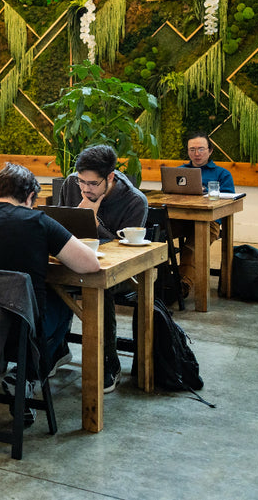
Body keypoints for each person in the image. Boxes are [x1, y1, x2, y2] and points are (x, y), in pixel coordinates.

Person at [0, 163, 100, 377]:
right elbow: (90, 264)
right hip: (19, 332)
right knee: (62, 301)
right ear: (30, 196)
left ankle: (29, 371)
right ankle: (29, 374)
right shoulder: (39, 222)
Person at [60, 144, 148, 392]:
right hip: (73, 263)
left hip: (118, 272)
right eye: (81, 182)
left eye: (93, 184)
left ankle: (109, 360)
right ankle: (54, 349)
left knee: (101, 285)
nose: (86, 189)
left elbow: (126, 253)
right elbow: (59, 228)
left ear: (110, 177)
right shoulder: (71, 185)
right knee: (42, 277)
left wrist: (93, 222)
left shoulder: (134, 201)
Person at [175, 132, 235, 294]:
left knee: (192, 246)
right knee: (156, 235)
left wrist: (206, 192)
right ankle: (155, 281)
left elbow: (229, 202)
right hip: (181, 219)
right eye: (192, 149)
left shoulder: (222, 174)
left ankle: (183, 285)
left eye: (201, 149)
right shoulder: (179, 172)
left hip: (210, 221)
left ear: (210, 151)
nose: (196, 154)